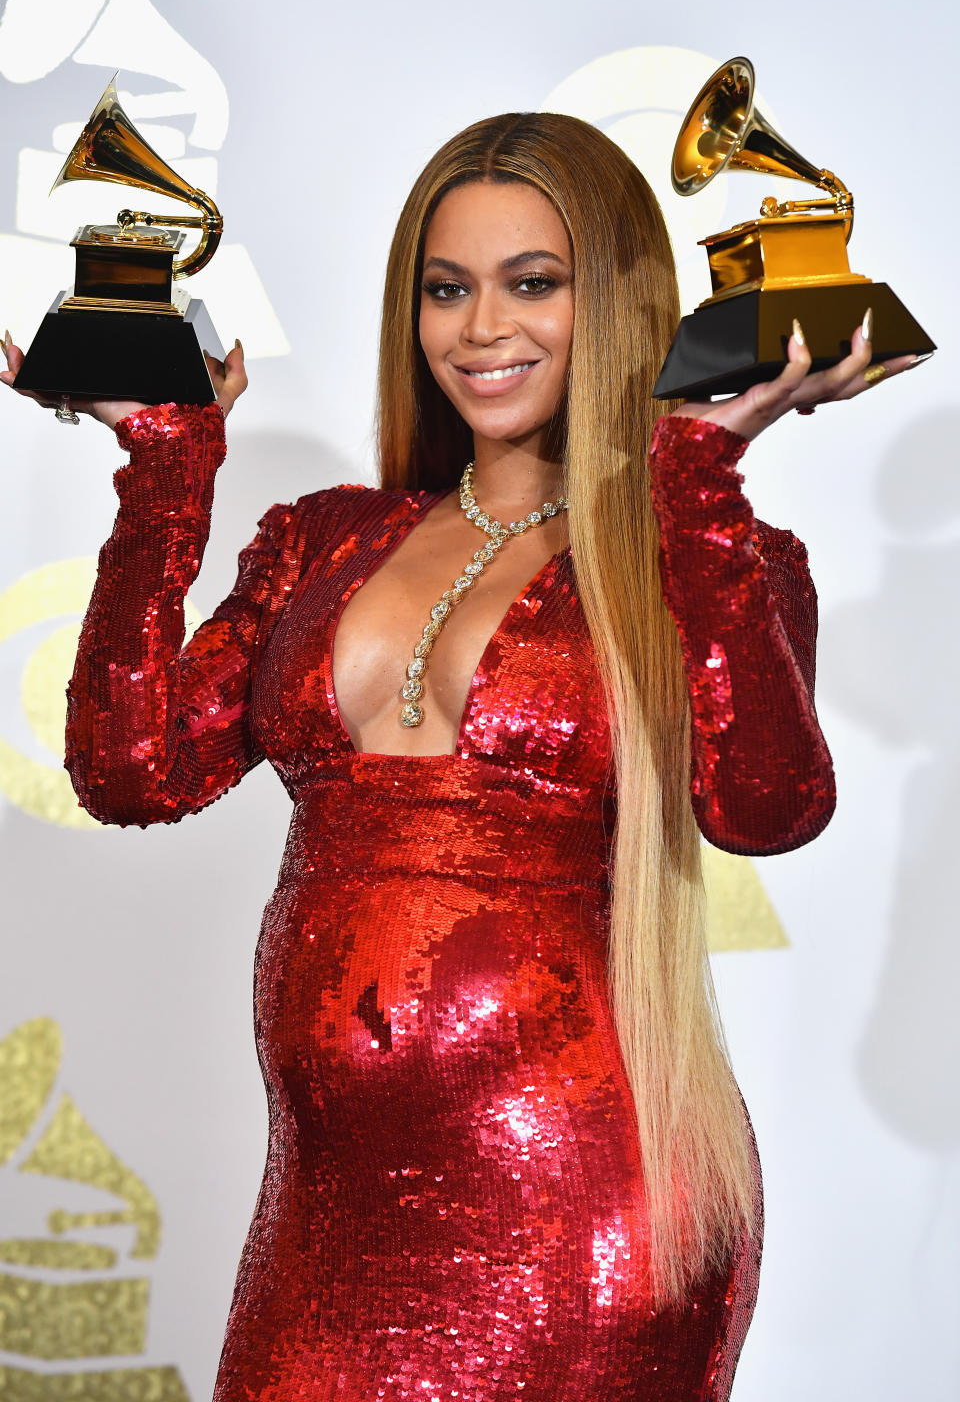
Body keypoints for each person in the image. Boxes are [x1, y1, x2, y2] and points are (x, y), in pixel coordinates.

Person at [1, 111, 920, 1401]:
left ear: (617, 298)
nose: (482, 327)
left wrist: (700, 475)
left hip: (586, 1219)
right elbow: (131, 769)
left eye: (531, 283)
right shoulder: (324, 541)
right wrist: (164, 471)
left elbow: (767, 809)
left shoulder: (709, 558)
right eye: (448, 288)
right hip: (324, 1228)